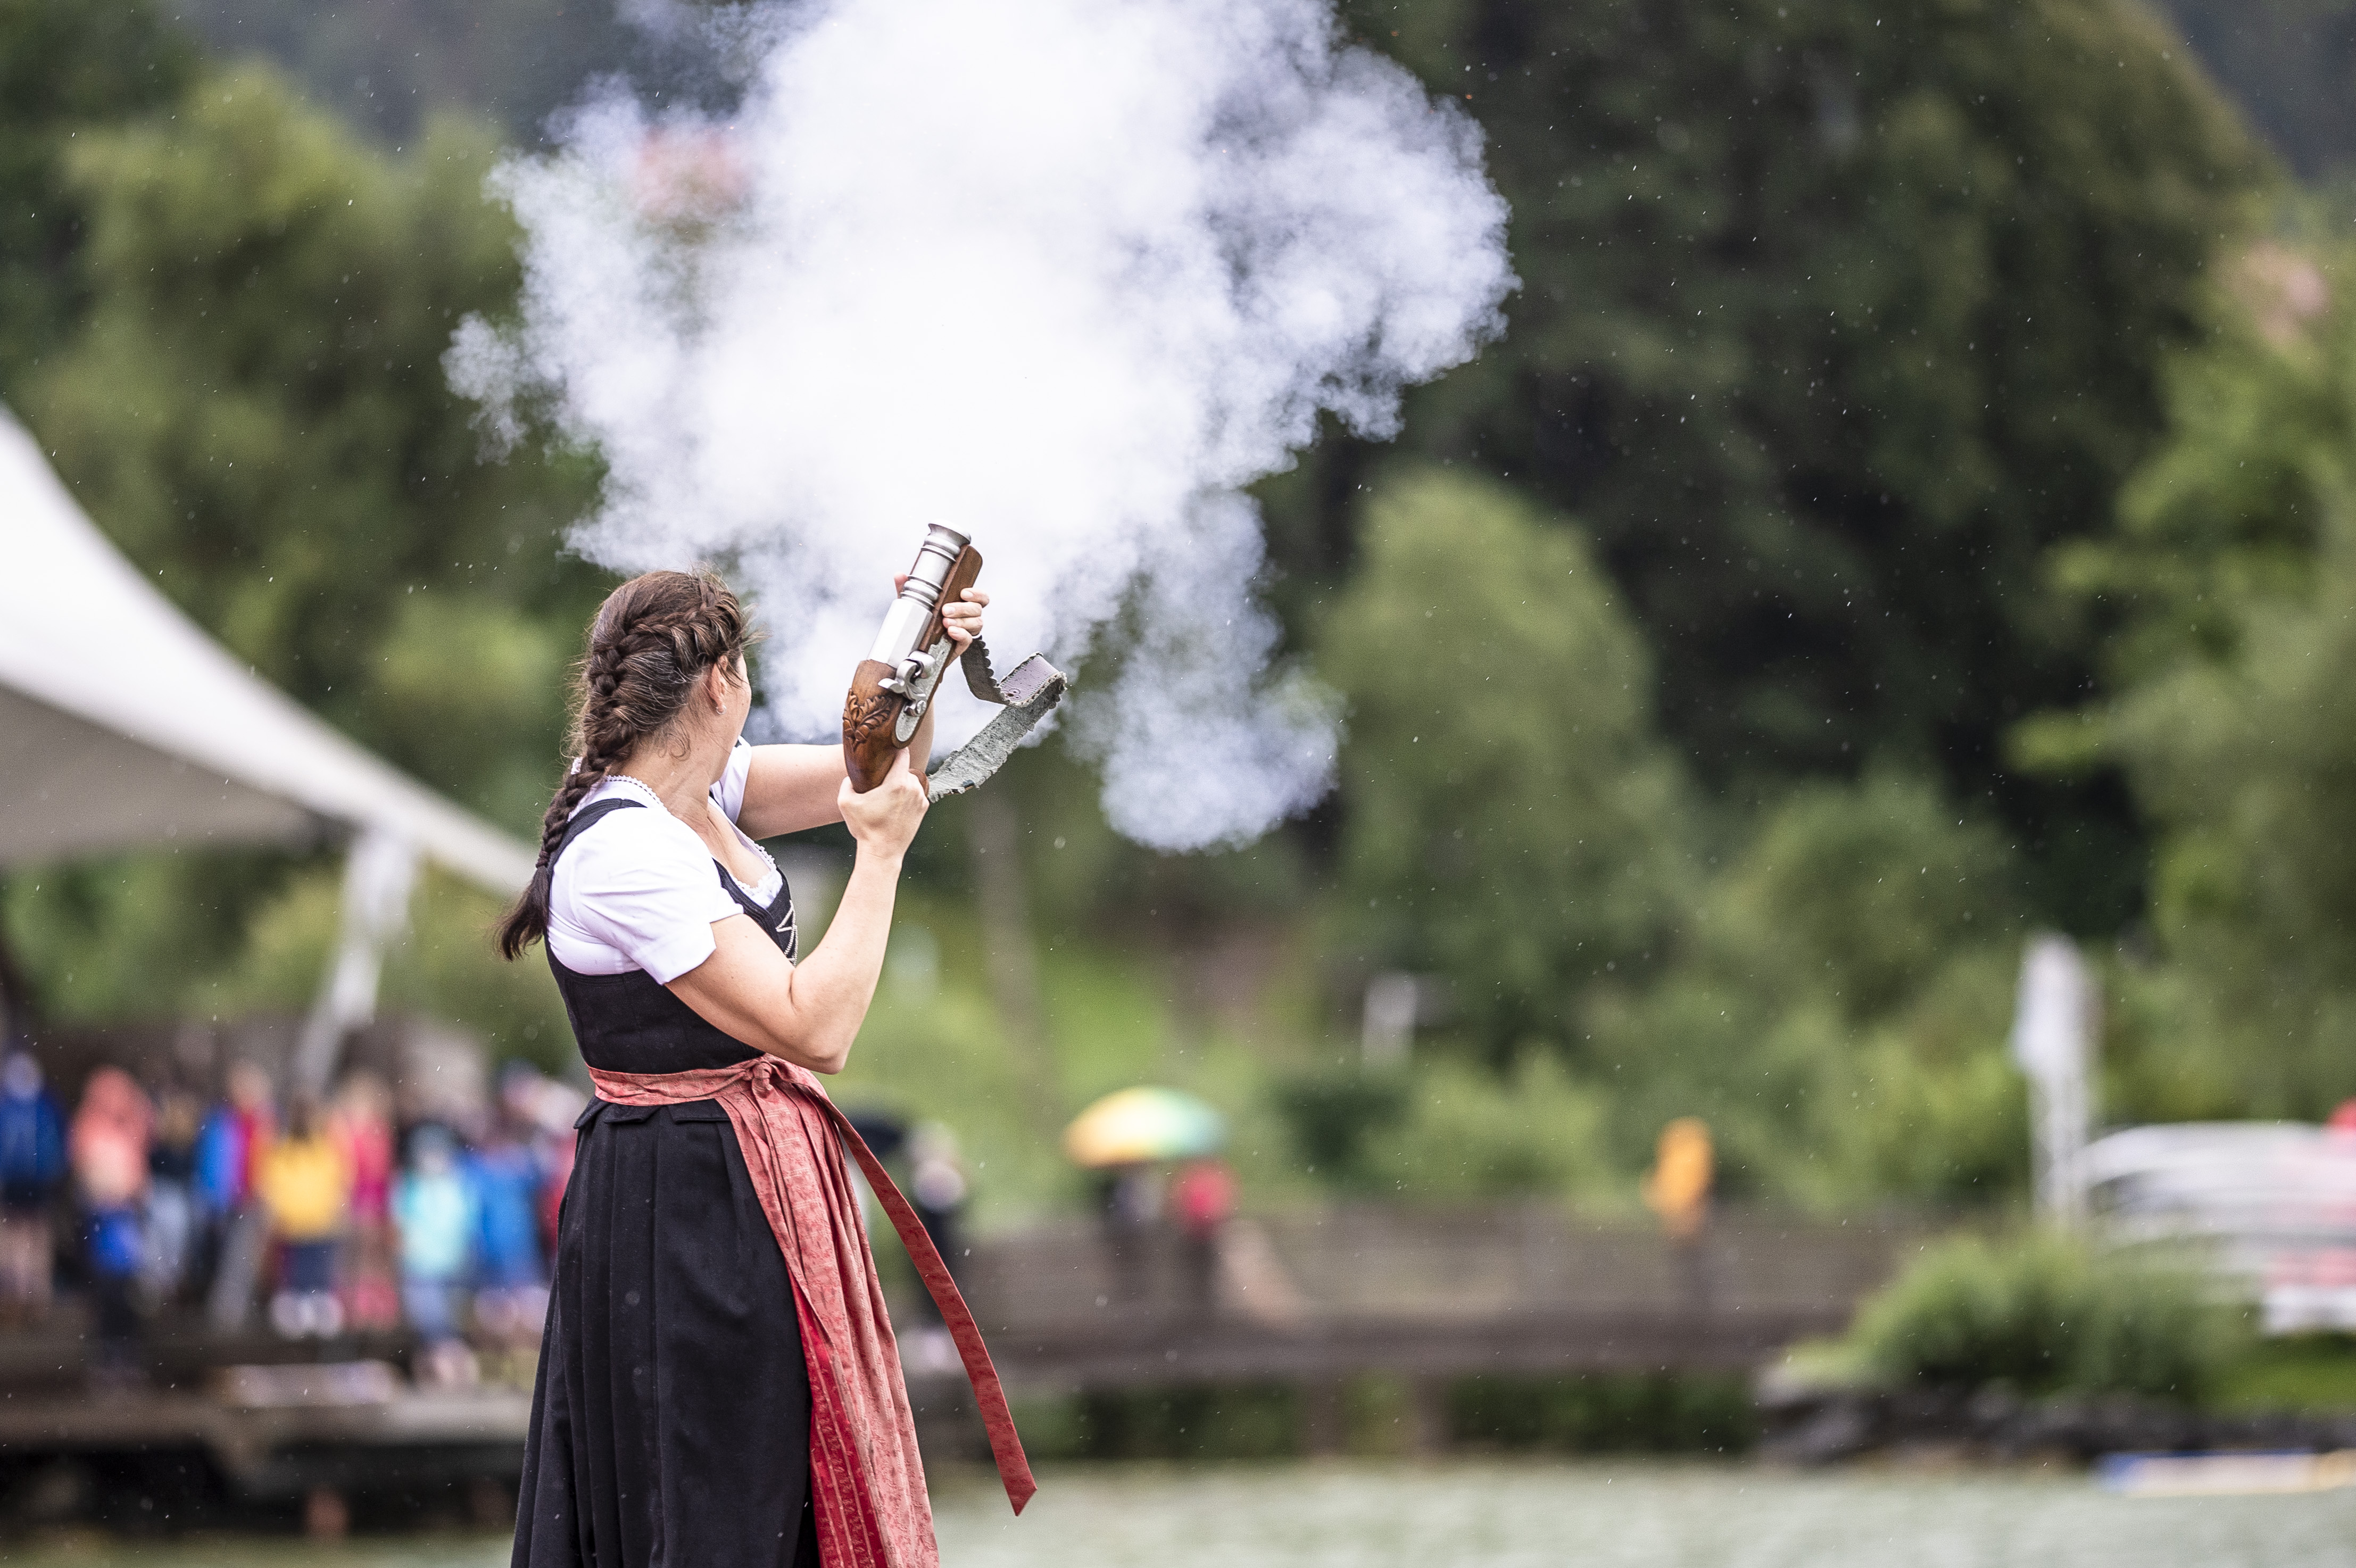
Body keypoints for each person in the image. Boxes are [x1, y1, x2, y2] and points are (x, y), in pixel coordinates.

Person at [497, 569, 1031, 1568]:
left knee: (777, 1479)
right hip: (684, 1204)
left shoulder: (705, 782)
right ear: (718, 681)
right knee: (718, 1493)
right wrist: (879, 862)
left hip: (747, 1185)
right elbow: (813, 1026)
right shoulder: (626, 849)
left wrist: (924, 671)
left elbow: (871, 776)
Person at [70, 1068, 152, 1381]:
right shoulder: (93, 1127)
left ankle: (121, 1356)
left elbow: (134, 1179)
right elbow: (91, 1177)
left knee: (122, 1294)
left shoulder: (127, 1127)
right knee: (110, 1294)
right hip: (105, 1224)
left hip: (120, 1223)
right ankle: (113, 1356)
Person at [257, 1095, 352, 1338]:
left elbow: (339, 1181)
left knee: (319, 1267)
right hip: (293, 1224)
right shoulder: (282, 1150)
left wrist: (336, 1206)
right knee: (295, 1270)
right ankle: (295, 1308)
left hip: (322, 1223)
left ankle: (319, 1306)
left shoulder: (326, 1149)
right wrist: (279, 1210)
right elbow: (272, 1184)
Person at [392, 1124, 477, 1381]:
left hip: (452, 1266)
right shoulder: (408, 1188)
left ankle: (451, 1368)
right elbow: (401, 1226)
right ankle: (435, 1371)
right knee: (429, 1321)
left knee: (450, 1321)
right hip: (420, 1266)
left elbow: (465, 1225)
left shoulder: (459, 1186)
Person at [0, 1053, 65, 1321]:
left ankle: (18, 1294)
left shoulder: (8, 1106)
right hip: (37, 1182)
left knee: (16, 1236)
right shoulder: (45, 1106)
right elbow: (59, 1146)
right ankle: (32, 1295)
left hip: (15, 1182)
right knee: (34, 1236)